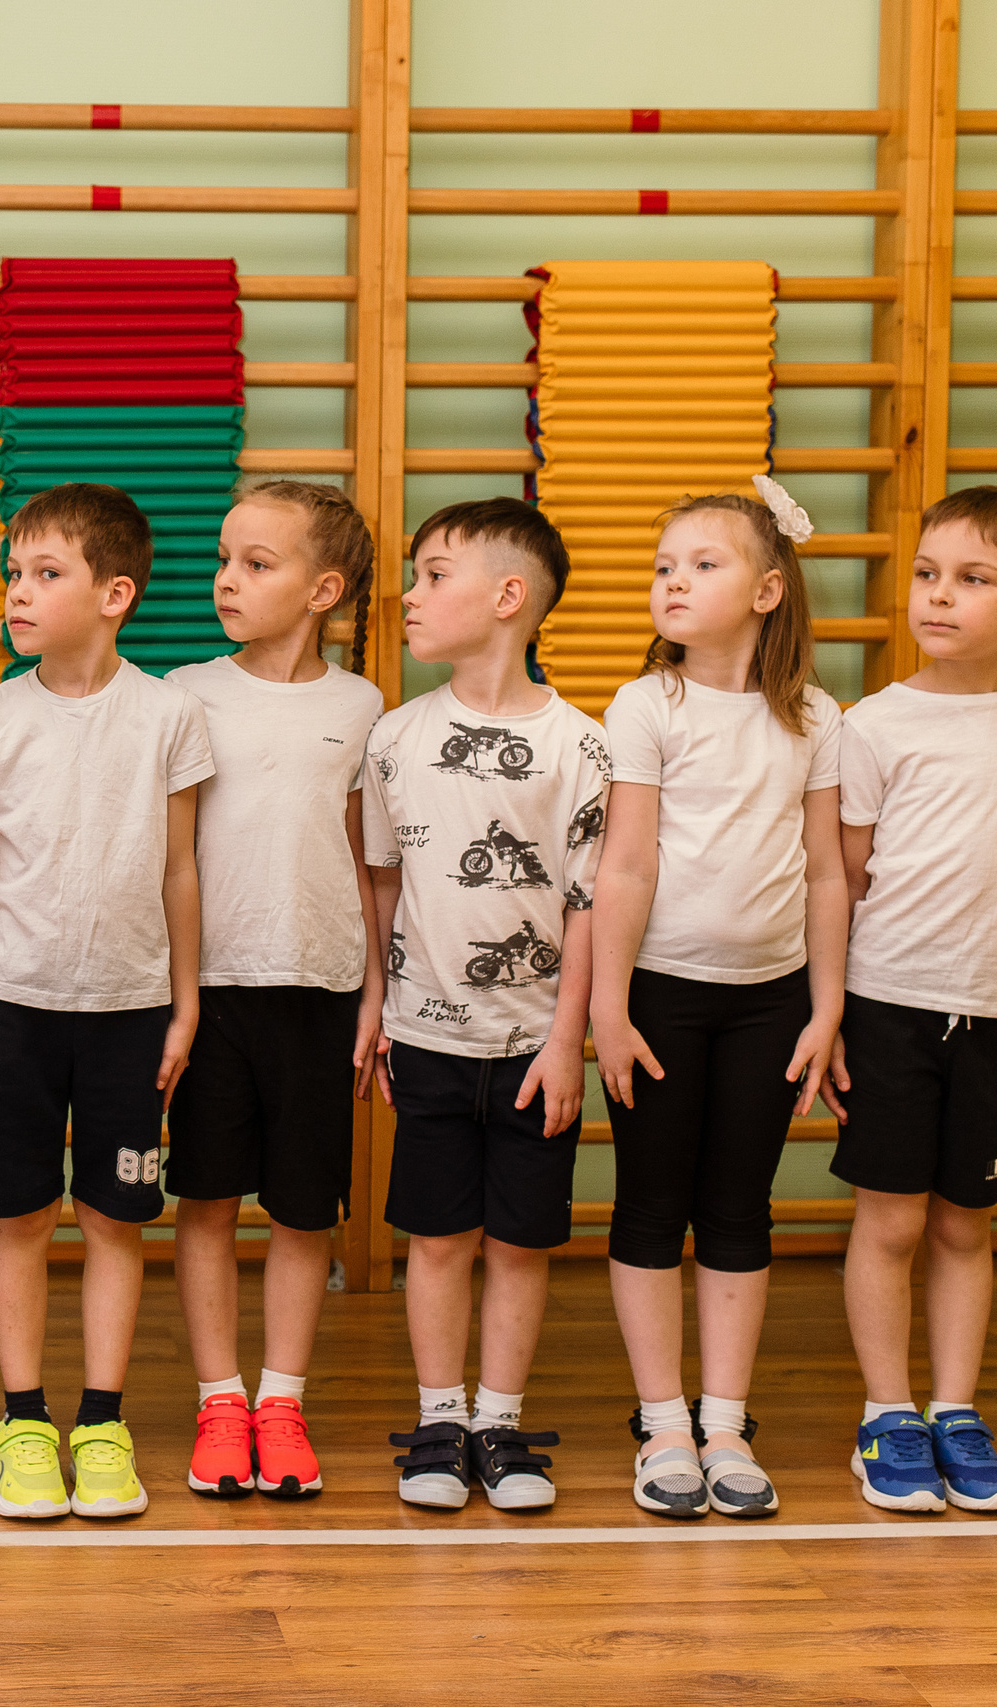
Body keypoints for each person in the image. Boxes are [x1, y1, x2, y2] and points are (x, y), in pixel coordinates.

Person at [0, 482, 213, 1520]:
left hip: (131, 1014)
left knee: (114, 1217)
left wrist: (183, 1004)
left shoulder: (168, 715)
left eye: (45, 574)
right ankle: (23, 1423)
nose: (17, 591)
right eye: (14, 572)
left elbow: (180, 869)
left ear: (114, 594)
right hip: (12, 1006)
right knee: (19, 1217)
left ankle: (102, 1424)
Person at [590, 477, 848, 1521]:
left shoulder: (816, 717)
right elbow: (624, 865)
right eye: (665, 566)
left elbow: (826, 872)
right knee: (653, 1204)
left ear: (768, 589)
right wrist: (608, 1007)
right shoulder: (647, 705)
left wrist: (825, 1008)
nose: (674, 581)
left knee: (739, 1207)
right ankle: (662, 1422)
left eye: (703, 564)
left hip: (769, 1004)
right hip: (658, 996)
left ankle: (726, 1421)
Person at [820, 487, 997, 1514]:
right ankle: (887, 1414)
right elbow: (845, 880)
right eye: (927, 574)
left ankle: (956, 1410)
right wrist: (832, 1013)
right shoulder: (872, 725)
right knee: (888, 1224)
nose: (939, 596)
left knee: (965, 1225)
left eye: (972, 579)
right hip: (890, 1008)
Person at [362, 498, 606, 1513]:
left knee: (518, 1242)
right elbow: (382, 883)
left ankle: (500, 1421)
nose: (410, 595)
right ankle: (439, 1418)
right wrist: (376, 1006)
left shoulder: (583, 746)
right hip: (424, 1038)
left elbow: (588, 905)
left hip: (535, 1048)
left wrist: (567, 1039)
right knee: (436, 1238)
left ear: (509, 597)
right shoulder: (393, 738)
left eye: (433, 575)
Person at [163, 481, 383, 1501]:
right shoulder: (185, 695)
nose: (226, 579)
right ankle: (221, 1399)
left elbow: (368, 861)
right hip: (210, 991)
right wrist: (171, 998)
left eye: (256, 564)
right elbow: (165, 857)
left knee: (302, 1208)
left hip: (320, 990)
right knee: (206, 1199)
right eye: (224, 558)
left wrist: (374, 993)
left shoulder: (362, 708)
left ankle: (280, 1403)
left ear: (322, 590)